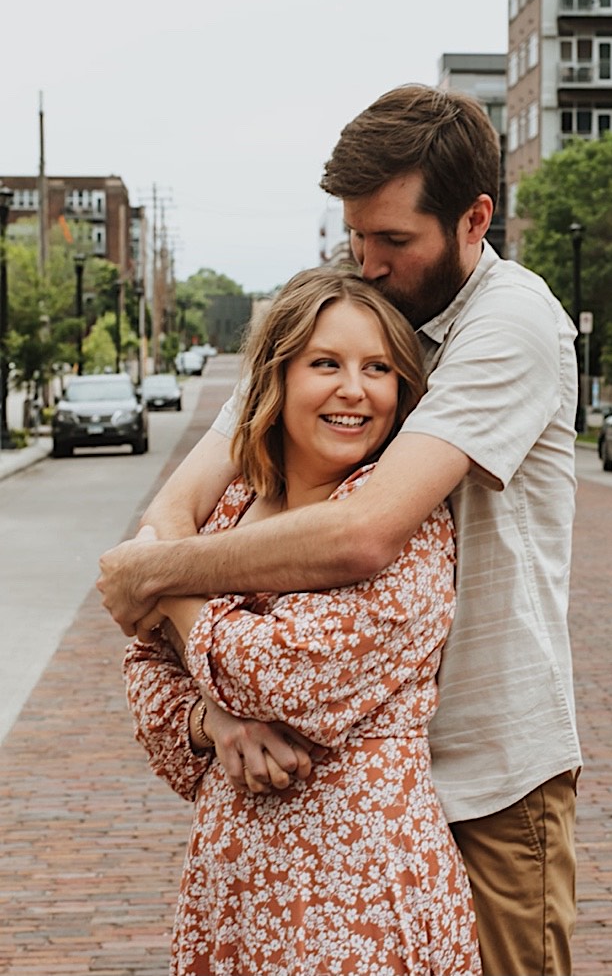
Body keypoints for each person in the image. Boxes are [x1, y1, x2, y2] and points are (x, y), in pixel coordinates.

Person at [99, 85, 581, 975]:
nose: (368, 261)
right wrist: (211, 706)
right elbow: (179, 500)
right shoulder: (363, 307)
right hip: (307, 834)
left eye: (393, 239)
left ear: (474, 219)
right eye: (356, 236)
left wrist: (157, 578)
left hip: (488, 771)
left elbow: (366, 530)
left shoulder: (507, 322)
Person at [123, 267, 481, 974]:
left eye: (378, 368)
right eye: (327, 363)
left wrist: (166, 580)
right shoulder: (234, 504)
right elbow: (143, 668)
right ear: (278, 379)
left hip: (359, 887)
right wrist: (214, 722)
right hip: (234, 883)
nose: (355, 388)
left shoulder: (403, 526)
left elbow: (282, 671)